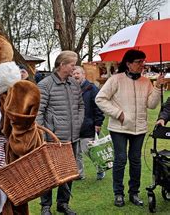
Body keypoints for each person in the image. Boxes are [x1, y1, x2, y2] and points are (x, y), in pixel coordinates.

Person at [95, 49, 165, 208]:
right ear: (128, 63)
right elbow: (100, 99)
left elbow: (152, 105)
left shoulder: (146, 82)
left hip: (139, 129)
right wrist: (118, 113)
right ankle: (118, 193)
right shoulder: (115, 79)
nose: (142, 65)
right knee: (120, 160)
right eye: (139, 62)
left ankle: (134, 192)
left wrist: (158, 87)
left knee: (136, 161)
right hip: (119, 128)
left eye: (143, 61)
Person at [36, 51, 84, 215]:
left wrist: (77, 123)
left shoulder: (74, 84)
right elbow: (38, 113)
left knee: (69, 173)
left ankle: (63, 204)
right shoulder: (45, 84)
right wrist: (42, 136)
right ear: (62, 64)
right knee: (49, 173)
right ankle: (46, 206)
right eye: (72, 64)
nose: (74, 68)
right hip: (52, 138)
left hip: (72, 137)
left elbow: (81, 106)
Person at [72, 66, 105, 180]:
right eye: (73, 74)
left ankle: (101, 168)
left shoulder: (92, 88)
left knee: (90, 151)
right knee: (76, 153)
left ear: (83, 75)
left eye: (78, 73)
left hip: (88, 125)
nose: (75, 75)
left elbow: (98, 108)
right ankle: (79, 174)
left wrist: (98, 123)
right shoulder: (70, 89)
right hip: (74, 127)